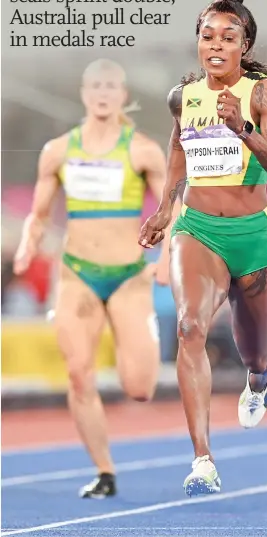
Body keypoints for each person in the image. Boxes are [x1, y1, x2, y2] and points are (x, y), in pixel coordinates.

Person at [139, 0, 267, 497]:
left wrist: (243, 130)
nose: (217, 45)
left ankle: (258, 378)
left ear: (244, 45)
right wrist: (167, 207)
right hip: (199, 229)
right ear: (199, 42)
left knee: (256, 351)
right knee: (190, 328)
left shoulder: (263, 93)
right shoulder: (182, 97)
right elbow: (178, 148)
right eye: (209, 35)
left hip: (253, 236)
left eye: (229, 37)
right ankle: (202, 460)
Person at [13, 58, 176, 499]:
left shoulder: (141, 149)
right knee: (79, 375)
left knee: (139, 388)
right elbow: (40, 213)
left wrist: (165, 258)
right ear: (84, 94)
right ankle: (105, 471)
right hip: (77, 275)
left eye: (111, 85)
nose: (103, 93)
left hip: (127, 277)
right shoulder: (58, 150)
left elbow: (171, 210)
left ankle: (121, 423)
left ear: (123, 95)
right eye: (95, 85)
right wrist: (30, 243)